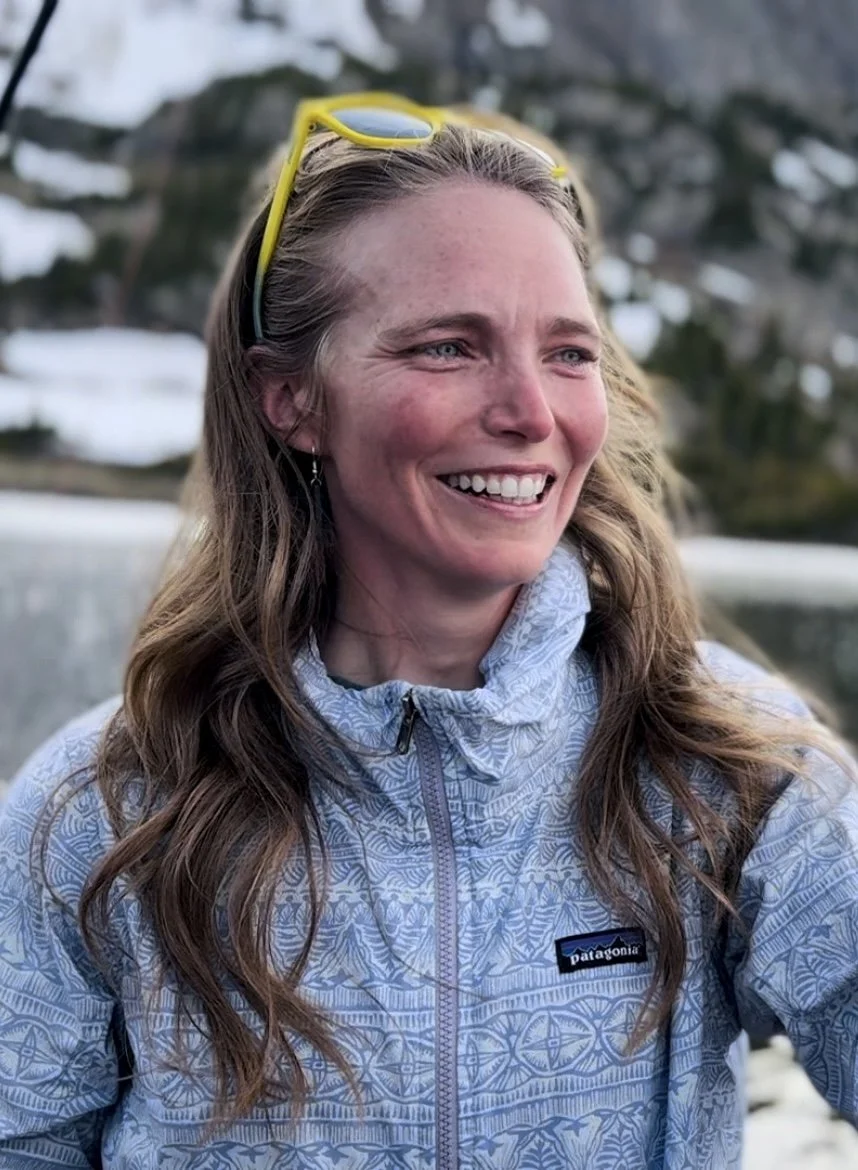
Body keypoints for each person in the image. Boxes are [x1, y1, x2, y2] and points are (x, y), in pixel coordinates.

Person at [0, 91, 856, 1169]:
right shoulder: (98, 815)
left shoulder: (731, 766)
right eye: (451, 347)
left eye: (569, 353)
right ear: (290, 399)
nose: (532, 413)